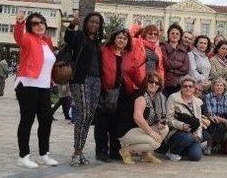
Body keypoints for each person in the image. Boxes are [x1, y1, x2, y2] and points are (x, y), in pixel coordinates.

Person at [13, 12, 58, 168]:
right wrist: (19, 23)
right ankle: (23, 155)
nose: (39, 25)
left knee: (46, 120)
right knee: (27, 120)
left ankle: (44, 154)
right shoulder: (27, 39)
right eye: (35, 23)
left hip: (44, 87)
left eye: (42, 23)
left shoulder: (46, 42)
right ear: (29, 26)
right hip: (27, 85)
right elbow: (19, 36)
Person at [65, 12, 105, 166]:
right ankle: (76, 152)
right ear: (87, 22)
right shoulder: (79, 36)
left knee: (89, 117)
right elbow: (68, 38)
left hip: (96, 81)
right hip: (80, 79)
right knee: (83, 114)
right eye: (92, 22)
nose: (94, 25)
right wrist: (72, 25)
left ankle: (80, 151)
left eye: (97, 23)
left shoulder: (98, 42)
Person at [95, 29, 134, 162]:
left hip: (123, 93)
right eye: (119, 37)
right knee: (102, 124)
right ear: (114, 38)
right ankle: (101, 152)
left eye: (124, 38)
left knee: (117, 124)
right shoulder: (104, 50)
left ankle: (115, 151)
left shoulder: (128, 54)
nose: (121, 40)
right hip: (105, 91)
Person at [116, 72, 169, 165]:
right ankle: (126, 150)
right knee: (154, 143)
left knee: (165, 129)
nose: (154, 85)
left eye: (157, 83)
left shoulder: (154, 98)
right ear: (146, 82)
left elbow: (151, 116)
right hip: (127, 130)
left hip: (139, 129)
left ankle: (146, 154)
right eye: (151, 82)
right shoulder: (141, 97)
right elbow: (138, 117)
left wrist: (159, 123)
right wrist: (152, 133)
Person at [165, 75, 203, 161]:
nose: (188, 88)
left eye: (190, 86)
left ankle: (183, 149)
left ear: (194, 88)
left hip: (192, 132)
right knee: (188, 137)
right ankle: (172, 152)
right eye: (185, 86)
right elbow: (169, 118)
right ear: (181, 87)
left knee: (196, 157)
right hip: (176, 132)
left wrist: (198, 135)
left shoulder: (197, 102)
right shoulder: (173, 98)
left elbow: (199, 121)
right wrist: (182, 126)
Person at [203, 78, 227, 154]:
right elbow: (209, 113)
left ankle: (219, 145)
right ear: (213, 87)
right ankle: (209, 146)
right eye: (217, 85)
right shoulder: (208, 97)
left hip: (222, 120)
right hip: (211, 119)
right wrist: (223, 120)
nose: (219, 87)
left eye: (221, 86)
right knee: (214, 122)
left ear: (224, 88)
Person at [161, 23, 190, 97]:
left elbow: (186, 68)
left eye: (177, 34)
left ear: (180, 36)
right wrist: (179, 64)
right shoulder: (163, 47)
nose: (175, 35)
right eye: (172, 33)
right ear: (168, 35)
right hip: (165, 83)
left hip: (178, 84)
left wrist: (173, 71)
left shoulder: (183, 50)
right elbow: (166, 63)